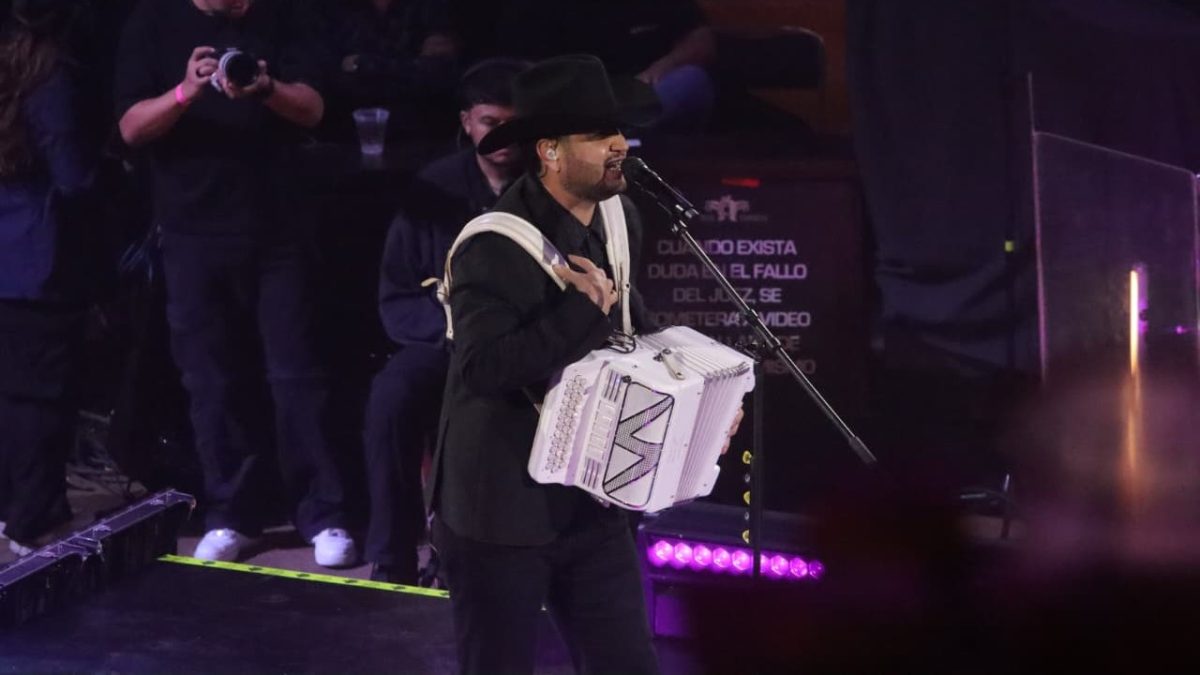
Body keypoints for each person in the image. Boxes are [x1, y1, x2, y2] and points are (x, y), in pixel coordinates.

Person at [427, 54, 746, 674]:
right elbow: (485, 370)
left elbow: (632, 329)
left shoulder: (619, 217)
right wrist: (580, 308)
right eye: (599, 135)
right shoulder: (492, 245)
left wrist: (707, 402)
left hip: (593, 499)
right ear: (549, 151)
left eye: (618, 130)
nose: (619, 145)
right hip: (502, 511)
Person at [114, 0, 356, 566]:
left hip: (279, 231)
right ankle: (231, 514)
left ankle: (324, 514)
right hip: (191, 233)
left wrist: (265, 88)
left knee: (298, 376)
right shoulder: (153, 22)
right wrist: (185, 92)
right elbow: (130, 128)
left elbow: (315, 109)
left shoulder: (285, 17)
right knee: (211, 381)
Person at [363, 57, 526, 584]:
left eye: (514, 123)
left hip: (529, 350)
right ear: (467, 123)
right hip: (448, 344)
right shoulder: (435, 188)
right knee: (392, 398)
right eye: (489, 123)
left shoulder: (551, 188)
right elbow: (398, 294)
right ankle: (392, 556)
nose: (501, 136)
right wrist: (454, 334)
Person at [0, 0, 96, 557]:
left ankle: (13, 510)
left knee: (9, 393)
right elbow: (72, 176)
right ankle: (34, 521)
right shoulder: (48, 77)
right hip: (35, 258)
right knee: (39, 397)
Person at [484, 0, 716, 132]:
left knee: (691, 80)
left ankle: (609, 134)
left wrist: (665, 65)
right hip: (570, 102)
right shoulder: (536, 9)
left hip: (644, 95)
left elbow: (701, 39)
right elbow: (519, 66)